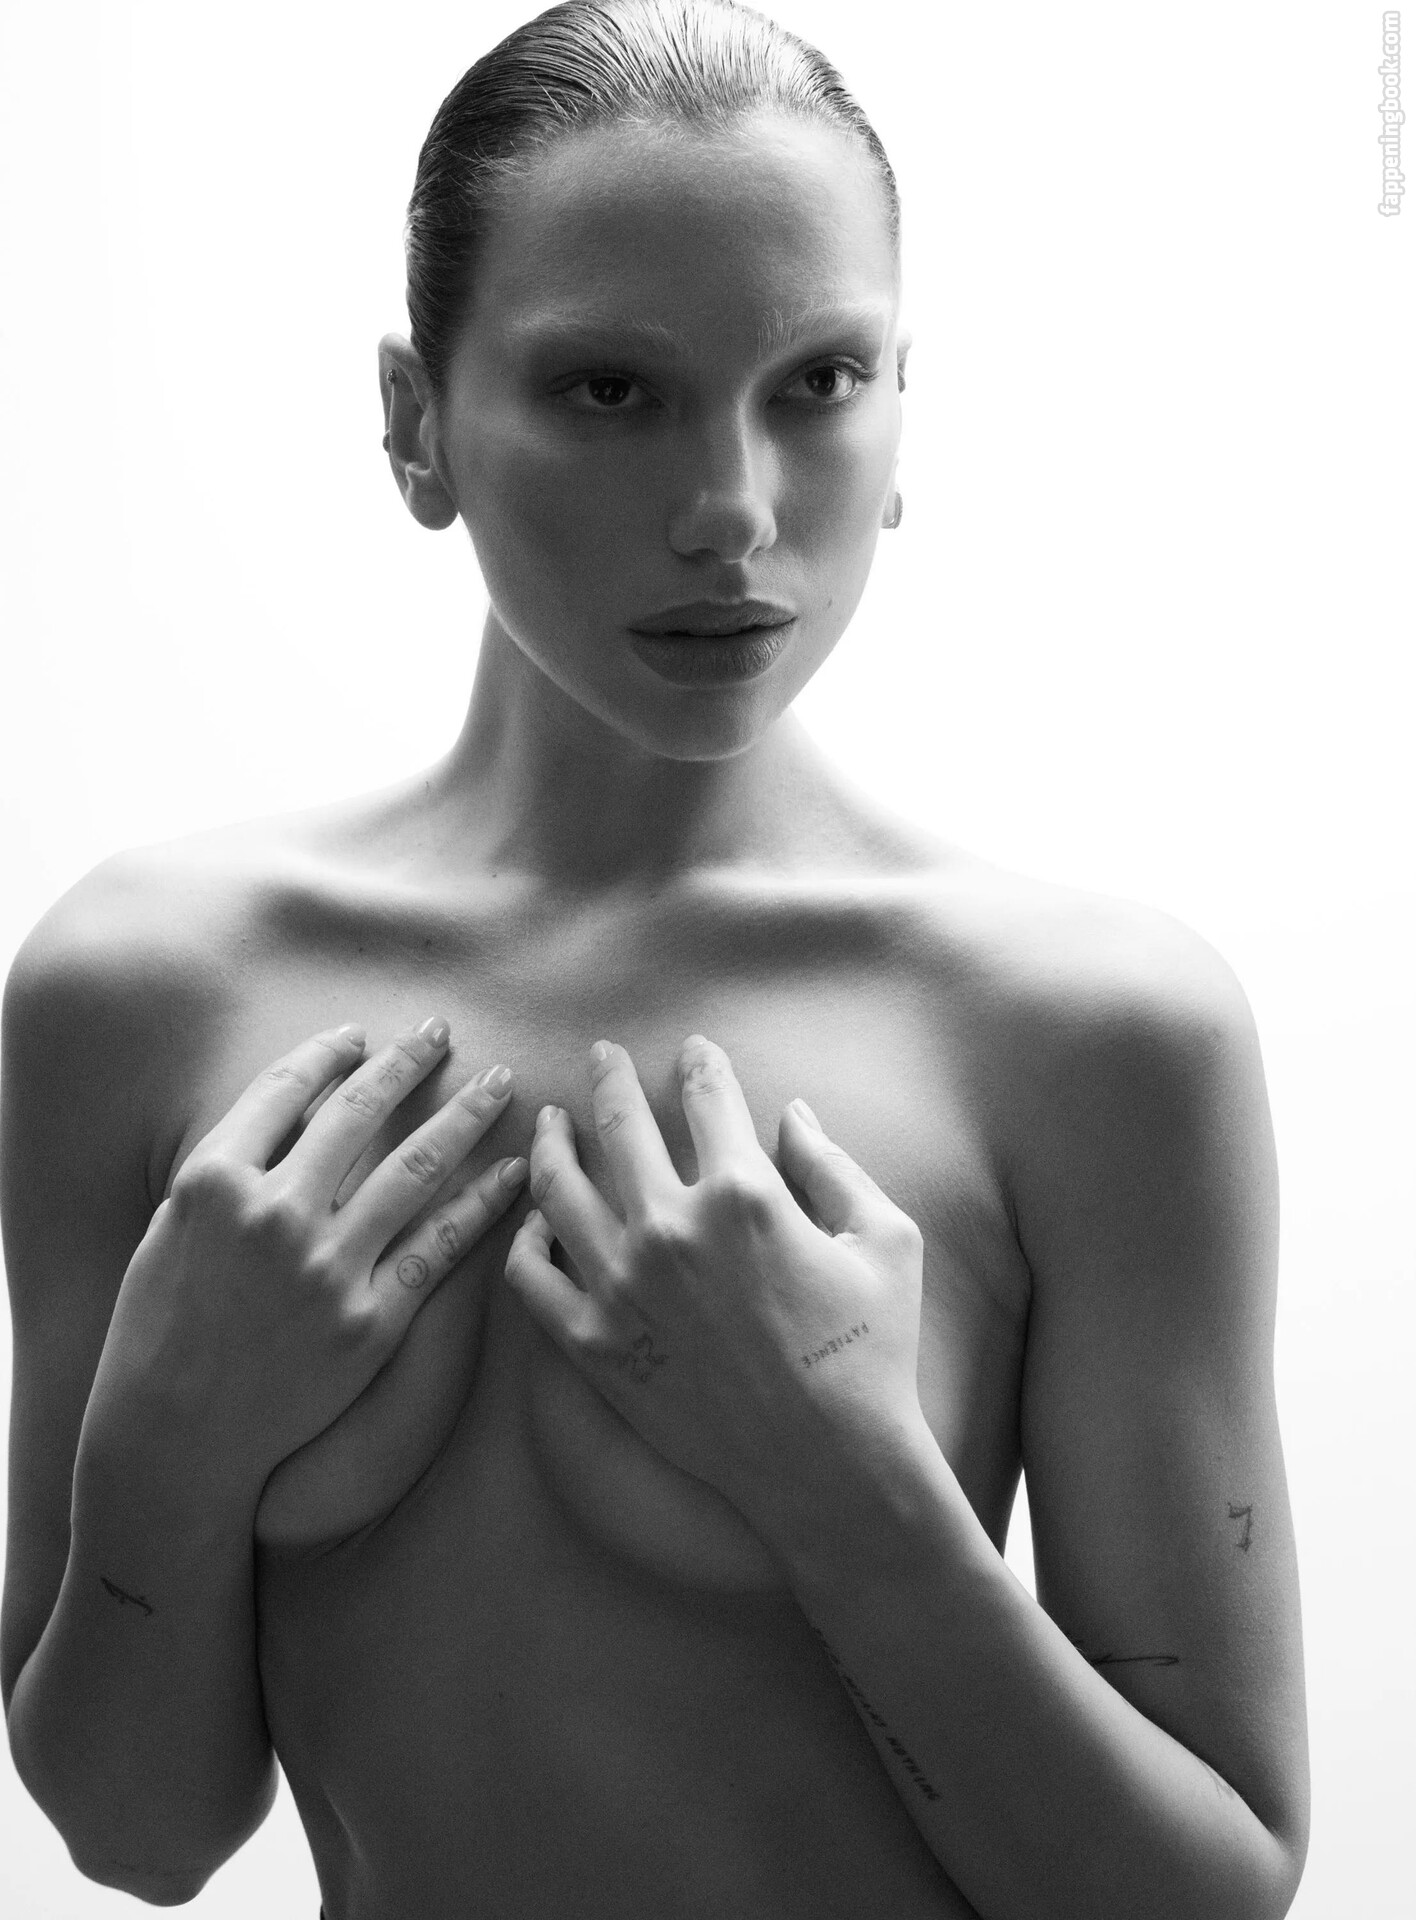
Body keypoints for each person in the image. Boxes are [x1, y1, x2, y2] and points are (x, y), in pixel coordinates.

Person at [0, 1, 1309, 1914]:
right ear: (415, 423)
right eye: (613, 388)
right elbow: (138, 1834)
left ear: (903, 405)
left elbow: (1213, 1890)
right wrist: (169, 1448)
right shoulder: (136, 995)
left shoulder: (1095, 1040)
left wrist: (841, 1483)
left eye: (818, 381)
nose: (732, 511)